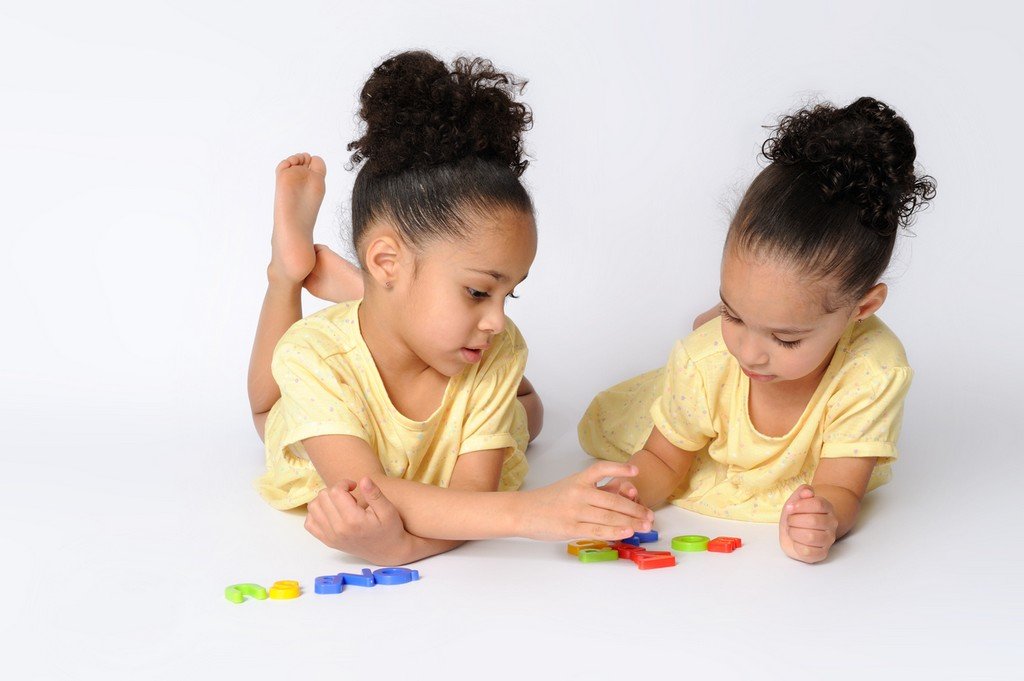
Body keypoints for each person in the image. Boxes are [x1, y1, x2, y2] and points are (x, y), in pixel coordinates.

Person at [248, 51, 652, 565]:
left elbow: (471, 504)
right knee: (268, 410)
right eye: (480, 292)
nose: (499, 320)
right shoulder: (315, 360)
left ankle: (370, 299)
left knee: (532, 413)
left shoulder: (497, 345)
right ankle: (287, 272)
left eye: (511, 292)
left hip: (428, 347)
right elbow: (368, 491)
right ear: (387, 260)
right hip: (327, 396)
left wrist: (401, 547)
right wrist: (531, 512)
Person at [579, 97, 935, 563]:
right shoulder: (707, 360)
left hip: (744, 413)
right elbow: (664, 459)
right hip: (693, 404)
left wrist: (825, 516)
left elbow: (842, 486)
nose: (750, 353)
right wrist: (627, 494)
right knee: (703, 361)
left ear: (862, 307)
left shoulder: (872, 371)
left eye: (785, 338)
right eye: (733, 312)